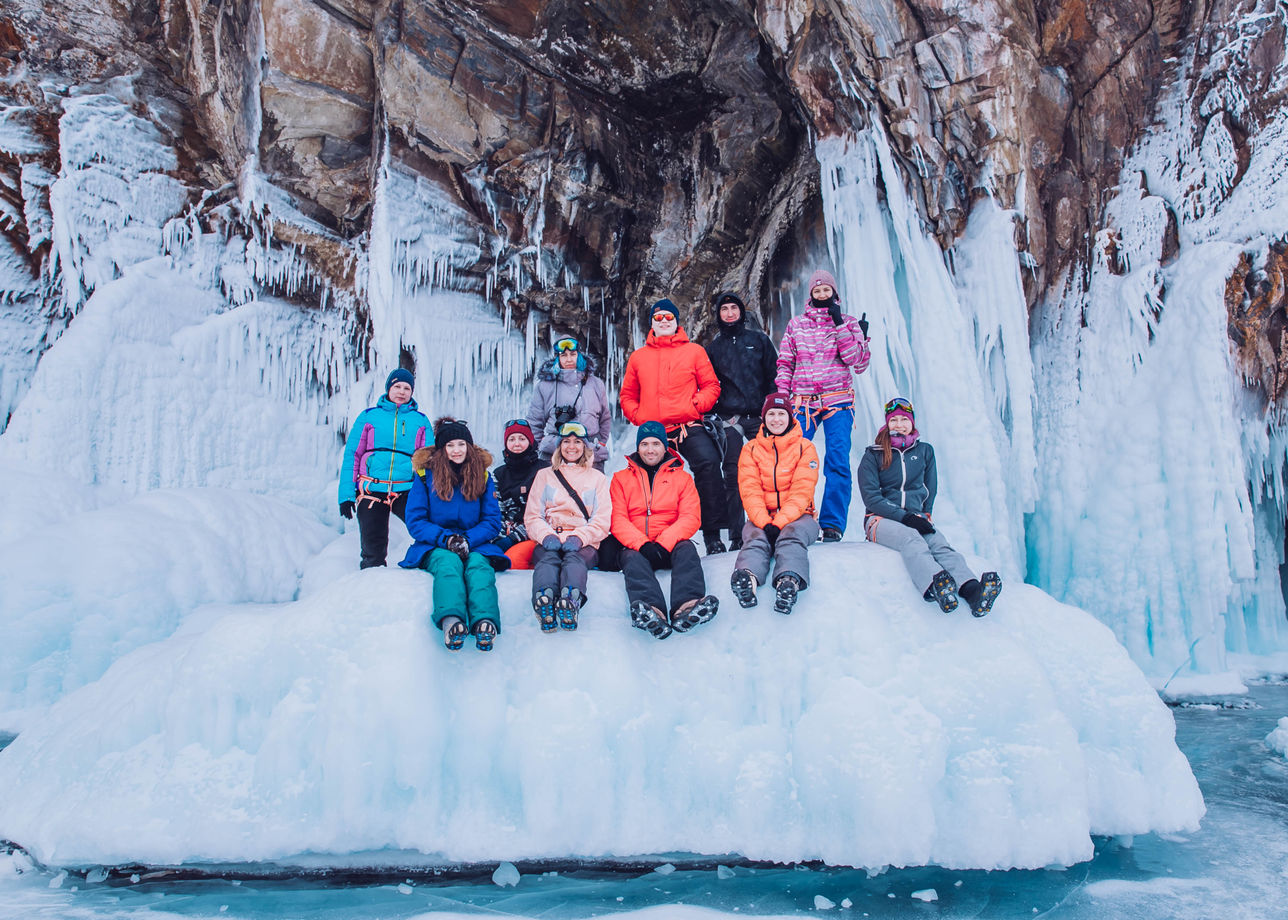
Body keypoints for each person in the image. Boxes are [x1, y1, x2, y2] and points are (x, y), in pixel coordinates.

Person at [856, 397, 1002, 616]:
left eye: (903, 420)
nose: (899, 424)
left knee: (940, 544)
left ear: (912, 422)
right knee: (911, 539)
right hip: (879, 520)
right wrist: (905, 518)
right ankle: (935, 585)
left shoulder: (924, 451)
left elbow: (930, 488)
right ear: (887, 424)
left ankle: (973, 592)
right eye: (893, 420)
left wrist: (924, 515)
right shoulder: (873, 454)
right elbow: (872, 498)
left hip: (915, 516)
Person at [619, 299, 725, 554]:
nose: (664, 321)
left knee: (709, 464)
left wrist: (696, 404)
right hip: (655, 430)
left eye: (669, 317)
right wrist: (639, 416)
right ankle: (650, 534)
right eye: (659, 318)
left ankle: (712, 535)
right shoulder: (638, 357)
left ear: (677, 322)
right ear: (652, 323)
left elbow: (712, 386)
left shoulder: (694, 351)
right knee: (649, 478)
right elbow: (627, 395)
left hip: (688, 425)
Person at [775, 269, 871, 542]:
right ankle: (797, 513)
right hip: (802, 402)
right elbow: (785, 364)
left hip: (838, 400)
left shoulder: (848, 322)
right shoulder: (797, 325)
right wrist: (783, 400)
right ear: (811, 294)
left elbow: (857, 362)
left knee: (838, 460)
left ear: (834, 292)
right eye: (817, 291)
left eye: (825, 290)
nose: (821, 294)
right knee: (793, 459)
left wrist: (843, 327)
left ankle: (832, 524)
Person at [399, 418, 509, 651]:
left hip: (474, 542)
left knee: (479, 566)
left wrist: (468, 540)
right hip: (435, 543)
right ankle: (452, 622)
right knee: (448, 564)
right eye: (450, 445)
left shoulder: (484, 476)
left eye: (461, 444)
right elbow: (416, 520)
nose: (456, 450)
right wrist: (446, 539)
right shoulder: (423, 476)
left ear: (469, 447)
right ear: (441, 449)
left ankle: (484, 622)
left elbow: (491, 520)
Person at [610, 421, 719, 639]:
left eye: (656, 444)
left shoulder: (682, 479)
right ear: (638, 447)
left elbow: (690, 517)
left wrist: (663, 543)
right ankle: (652, 611)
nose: (650, 449)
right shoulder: (620, 479)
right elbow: (617, 518)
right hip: (638, 546)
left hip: (669, 544)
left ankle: (687, 606)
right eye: (645, 444)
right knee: (630, 558)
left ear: (665, 446)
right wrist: (642, 544)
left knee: (687, 549)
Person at [730, 393, 821, 614]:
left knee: (791, 536)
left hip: (800, 517)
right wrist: (764, 521)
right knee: (754, 538)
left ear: (790, 417)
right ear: (764, 418)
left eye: (781, 414)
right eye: (771, 414)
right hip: (763, 515)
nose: (776, 419)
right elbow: (749, 490)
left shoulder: (805, 448)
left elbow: (802, 491)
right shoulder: (750, 449)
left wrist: (779, 522)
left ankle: (788, 581)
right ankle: (747, 578)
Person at [705, 291, 779, 551]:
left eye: (733, 308)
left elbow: (773, 375)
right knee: (734, 474)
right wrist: (712, 411)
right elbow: (709, 383)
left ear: (741, 312)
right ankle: (737, 535)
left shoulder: (758, 341)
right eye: (724, 309)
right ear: (718, 315)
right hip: (731, 419)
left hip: (760, 417)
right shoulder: (714, 349)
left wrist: (773, 410)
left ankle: (774, 525)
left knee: (770, 471)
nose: (729, 313)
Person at [338, 368, 431, 569]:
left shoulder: (421, 420)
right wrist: (346, 494)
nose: (402, 391)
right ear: (388, 388)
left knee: (425, 531)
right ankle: (372, 589)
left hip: (405, 490)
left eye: (407, 388)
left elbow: (428, 461)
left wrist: (429, 492)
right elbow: (352, 454)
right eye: (397, 386)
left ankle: (425, 573)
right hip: (371, 490)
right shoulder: (369, 416)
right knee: (373, 550)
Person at [524, 422, 612, 631]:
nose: (571, 447)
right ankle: (543, 599)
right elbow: (533, 515)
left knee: (575, 559)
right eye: (566, 442)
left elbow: (602, 519)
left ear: (585, 447)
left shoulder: (598, 479)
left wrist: (581, 537)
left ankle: (570, 599)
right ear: (559, 446)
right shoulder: (544, 475)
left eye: (577, 442)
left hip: (584, 542)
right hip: (551, 536)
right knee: (548, 559)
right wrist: (546, 535)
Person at [526, 335, 613, 469]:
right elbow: (534, 421)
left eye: (573, 354)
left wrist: (600, 443)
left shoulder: (596, 384)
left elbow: (605, 418)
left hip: (590, 451)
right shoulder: (544, 386)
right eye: (563, 355)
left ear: (579, 355)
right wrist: (541, 443)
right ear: (557, 358)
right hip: (554, 452)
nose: (568, 359)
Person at [492, 418, 550, 567]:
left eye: (522, 438)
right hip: (505, 532)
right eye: (511, 439)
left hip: (535, 532)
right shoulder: (498, 474)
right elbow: (496, 510)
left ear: (530, 441)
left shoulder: (544, 471)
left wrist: (513, 538)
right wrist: (501, 535)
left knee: (513, 560)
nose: (516, 443)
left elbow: (547, 513)